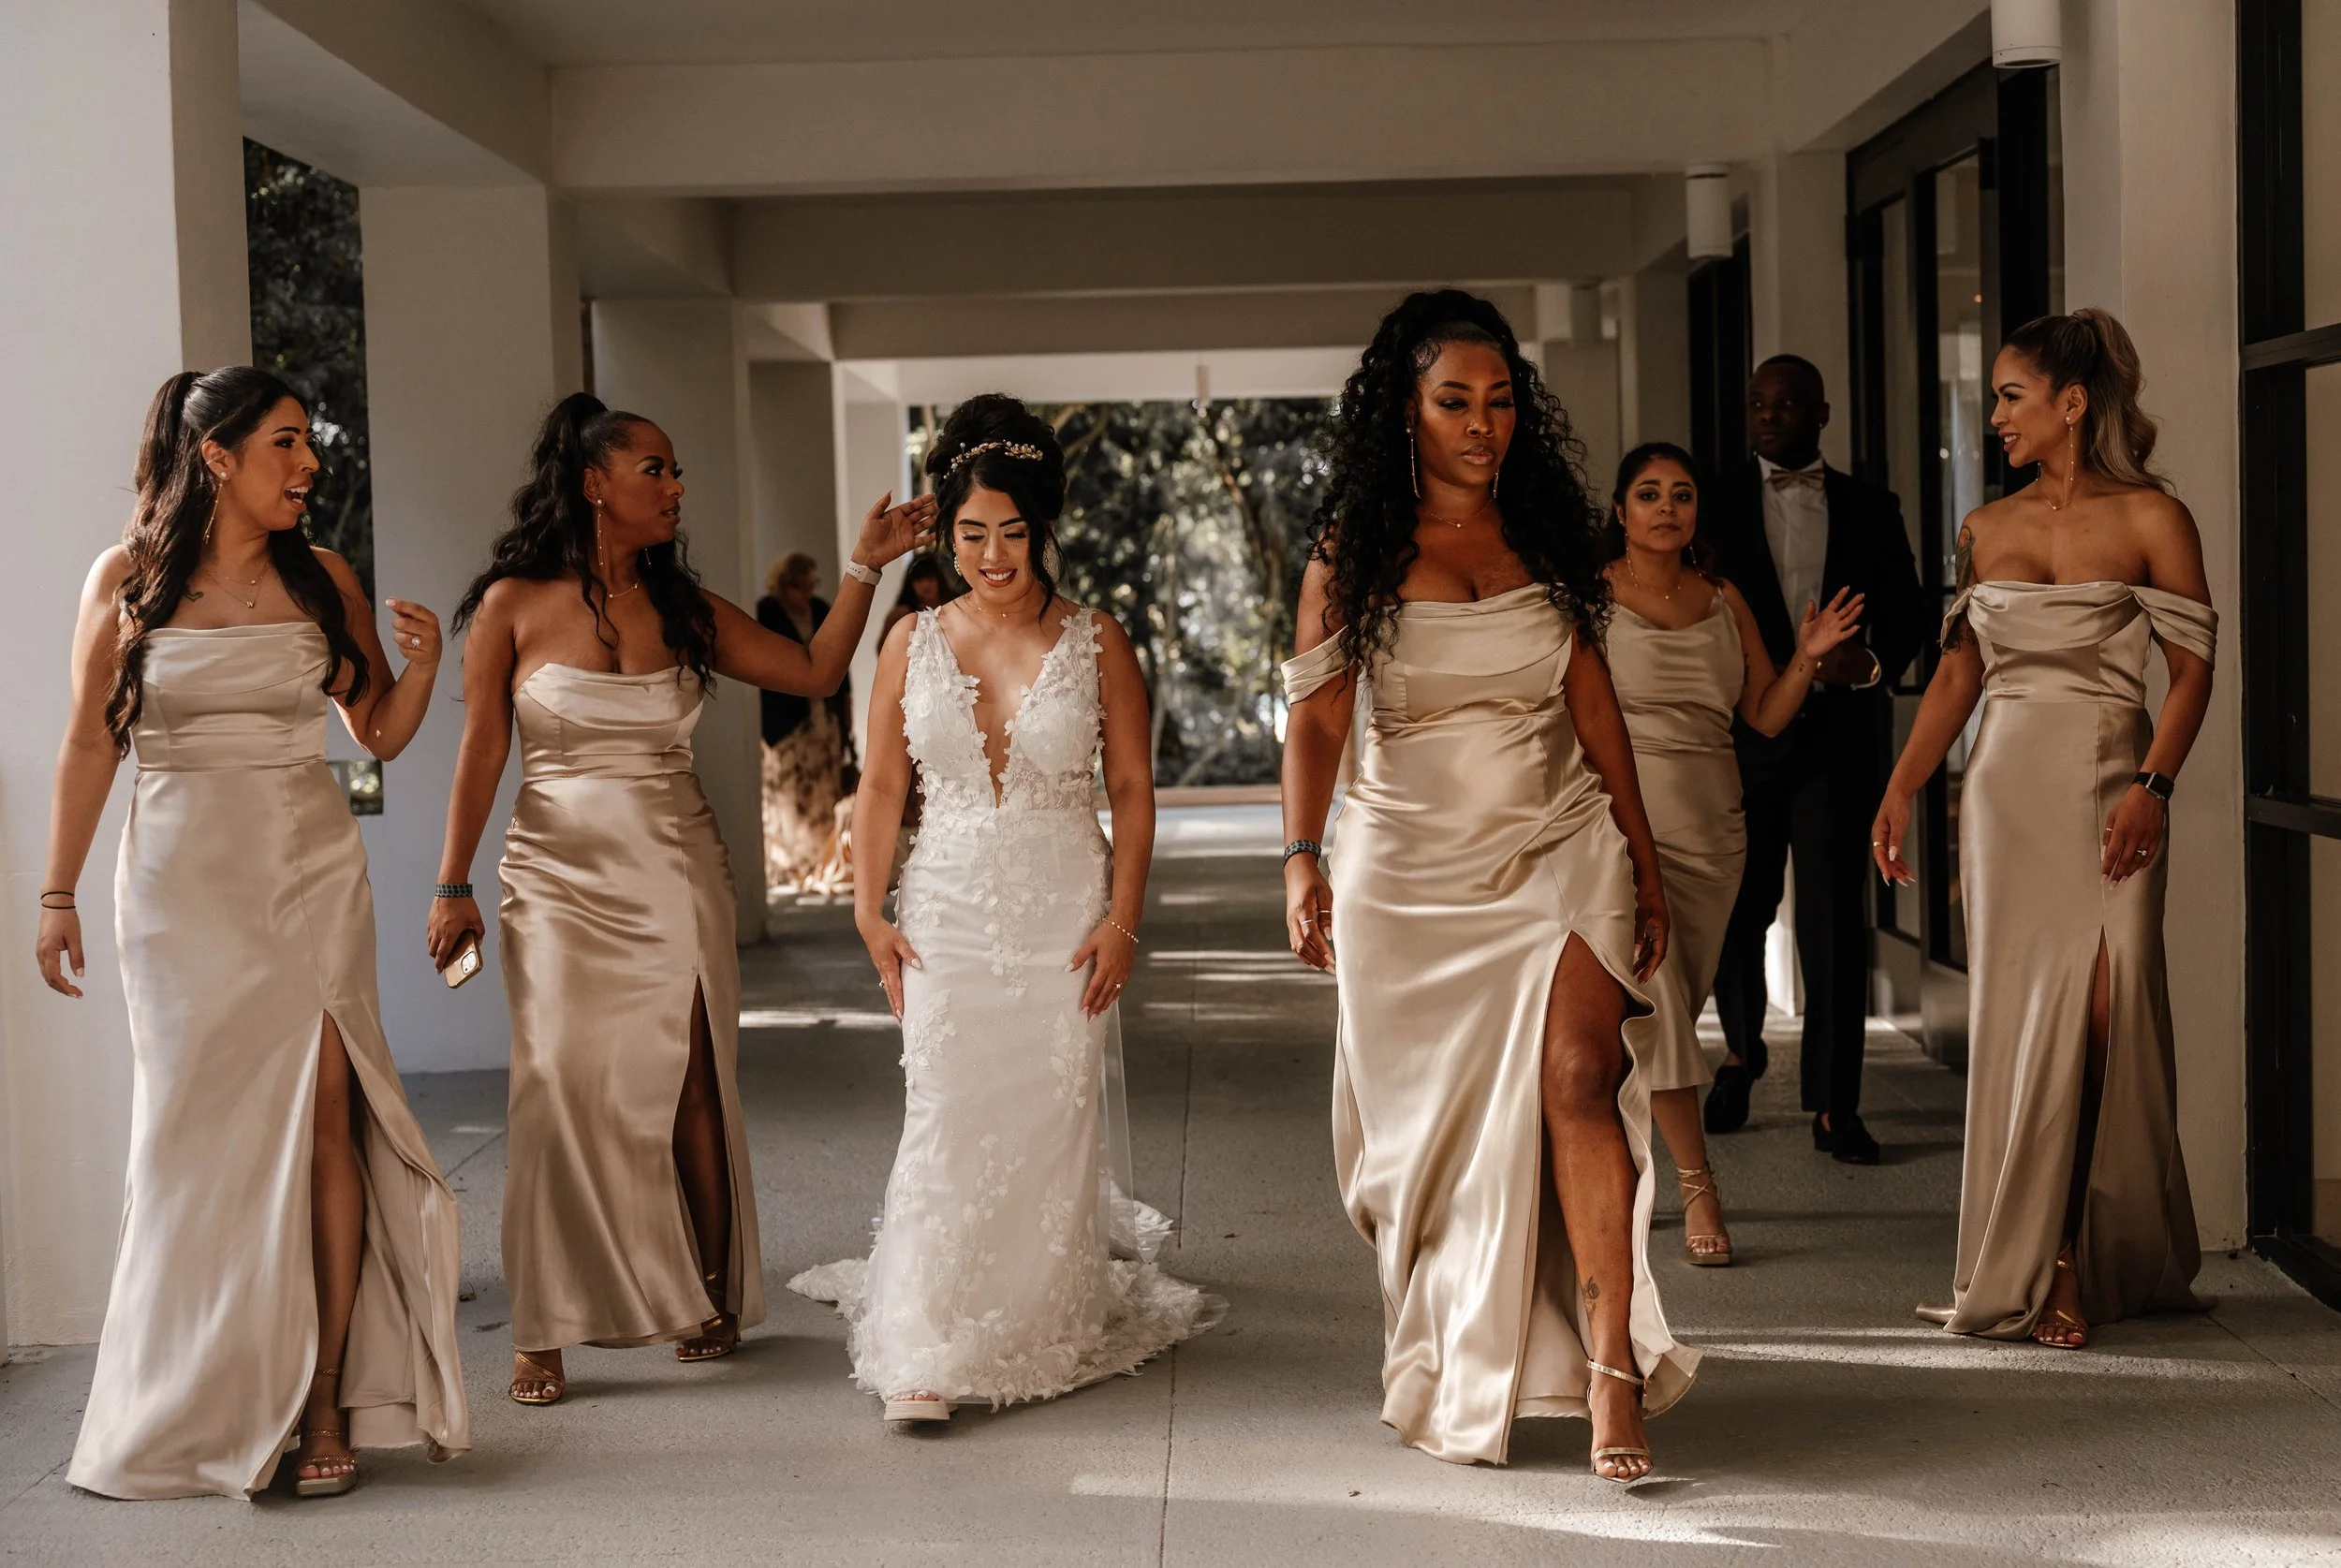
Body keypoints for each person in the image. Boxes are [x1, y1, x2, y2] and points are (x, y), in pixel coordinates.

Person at [425, 392, 935, 1406]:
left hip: (676, 859)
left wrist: (864, 567)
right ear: (593, 484)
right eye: (653, 469)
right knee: (556, 1085)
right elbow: (483, 748)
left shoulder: (685, 607)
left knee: (696, 1075)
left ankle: (708, 1291)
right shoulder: (511, 605)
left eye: (676, 470)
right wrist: (452, 881)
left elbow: (815, 669)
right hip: (553, 875)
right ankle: (544, 1324)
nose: (675, 487)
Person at [1279, 290, 1698, 1481]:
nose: (1481, 424)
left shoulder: (1548, 538)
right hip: (1408, 874)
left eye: (1500, 400)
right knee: (1441, 1149)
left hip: (1560, 843)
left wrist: (1642, 856)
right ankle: (1471, 1351)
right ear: (1403, 413)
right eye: (1454, 401)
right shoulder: (1352, 556)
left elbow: (1593, 706)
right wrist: (1301, 854)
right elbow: (1317, 722)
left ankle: (1612, 1373)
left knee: (1580, 1076)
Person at [35, 367, 466, 1500]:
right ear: (216, 456)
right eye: (286, 442)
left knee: (326, 1121)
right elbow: (90, 742)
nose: (310, 463)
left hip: (304, 872)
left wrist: (424, 669)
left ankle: (320, 1399)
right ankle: (213, 1397)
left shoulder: (322, 577)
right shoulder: (125, 578)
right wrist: (55, 893)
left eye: (308, 443)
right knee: (195, 1141)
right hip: (176, 888)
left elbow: (376, 730)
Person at [791, 395, 1219, 1424]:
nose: (993, 555)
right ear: (946, 532)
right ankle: (923, 1345)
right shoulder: (911, 640)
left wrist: (1122, 919)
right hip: (942, 903)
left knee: (1048, 1115)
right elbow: (881, 785)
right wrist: (867, 910)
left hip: (1061, 908)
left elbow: (1132, 791)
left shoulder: (1098, 640)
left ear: (1044, 529)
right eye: (972, 532)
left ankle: (1035, 1314)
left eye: (1013, 533)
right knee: (943, 1108)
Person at [1874, 309, 2214, 1348]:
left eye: (2011, 396)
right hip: (2006, 790)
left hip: (2115, 783)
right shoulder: (1984, 527)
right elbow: (1959, 675)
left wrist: (2153, 785)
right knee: (2024, 1024)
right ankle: (2052, 1256)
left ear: (2071, 403)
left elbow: (2193, 670)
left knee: (2109, 1013)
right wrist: (1902, 785)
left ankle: (2090, 1239)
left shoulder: (2154, 517)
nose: (1997, 418)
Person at [1601, 443, 1864, 1267]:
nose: (1667, 507)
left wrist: (1808, 656)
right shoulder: (1589, 597)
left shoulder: (1724, 598)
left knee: (1663, 1009)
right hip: (1621, 827)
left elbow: (1765, 715)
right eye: (1649, 493)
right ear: (1620, 511)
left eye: (1681, 493)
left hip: (1715, 830)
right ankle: (1697, 1183)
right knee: (1655, 997)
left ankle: (1624, 1167)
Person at [1701, 354, 1926, 1164]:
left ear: (1822, 413)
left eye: (1788, 402)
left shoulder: (1872, 507)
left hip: (1836, 741)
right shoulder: (1712, 504)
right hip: (1745, 736)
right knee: (1739, 910)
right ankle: (1740, 1051)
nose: (1769, 415)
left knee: (1833, 922)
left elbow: (1908, 613)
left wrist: (1866, 664)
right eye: (1758, 402)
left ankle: (1837, 1106)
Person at [757, 551, 854, 891]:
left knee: (824, 793)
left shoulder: (821, 609)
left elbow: (840, 666)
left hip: (824, 718)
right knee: (787, 796)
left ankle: (819, 864)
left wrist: (846, 724)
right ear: (784, 584)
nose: (807, 592)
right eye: (800, 585)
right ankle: (789, 867)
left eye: (812, 584)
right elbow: (764, 666)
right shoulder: (767, 612)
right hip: (784, 722)